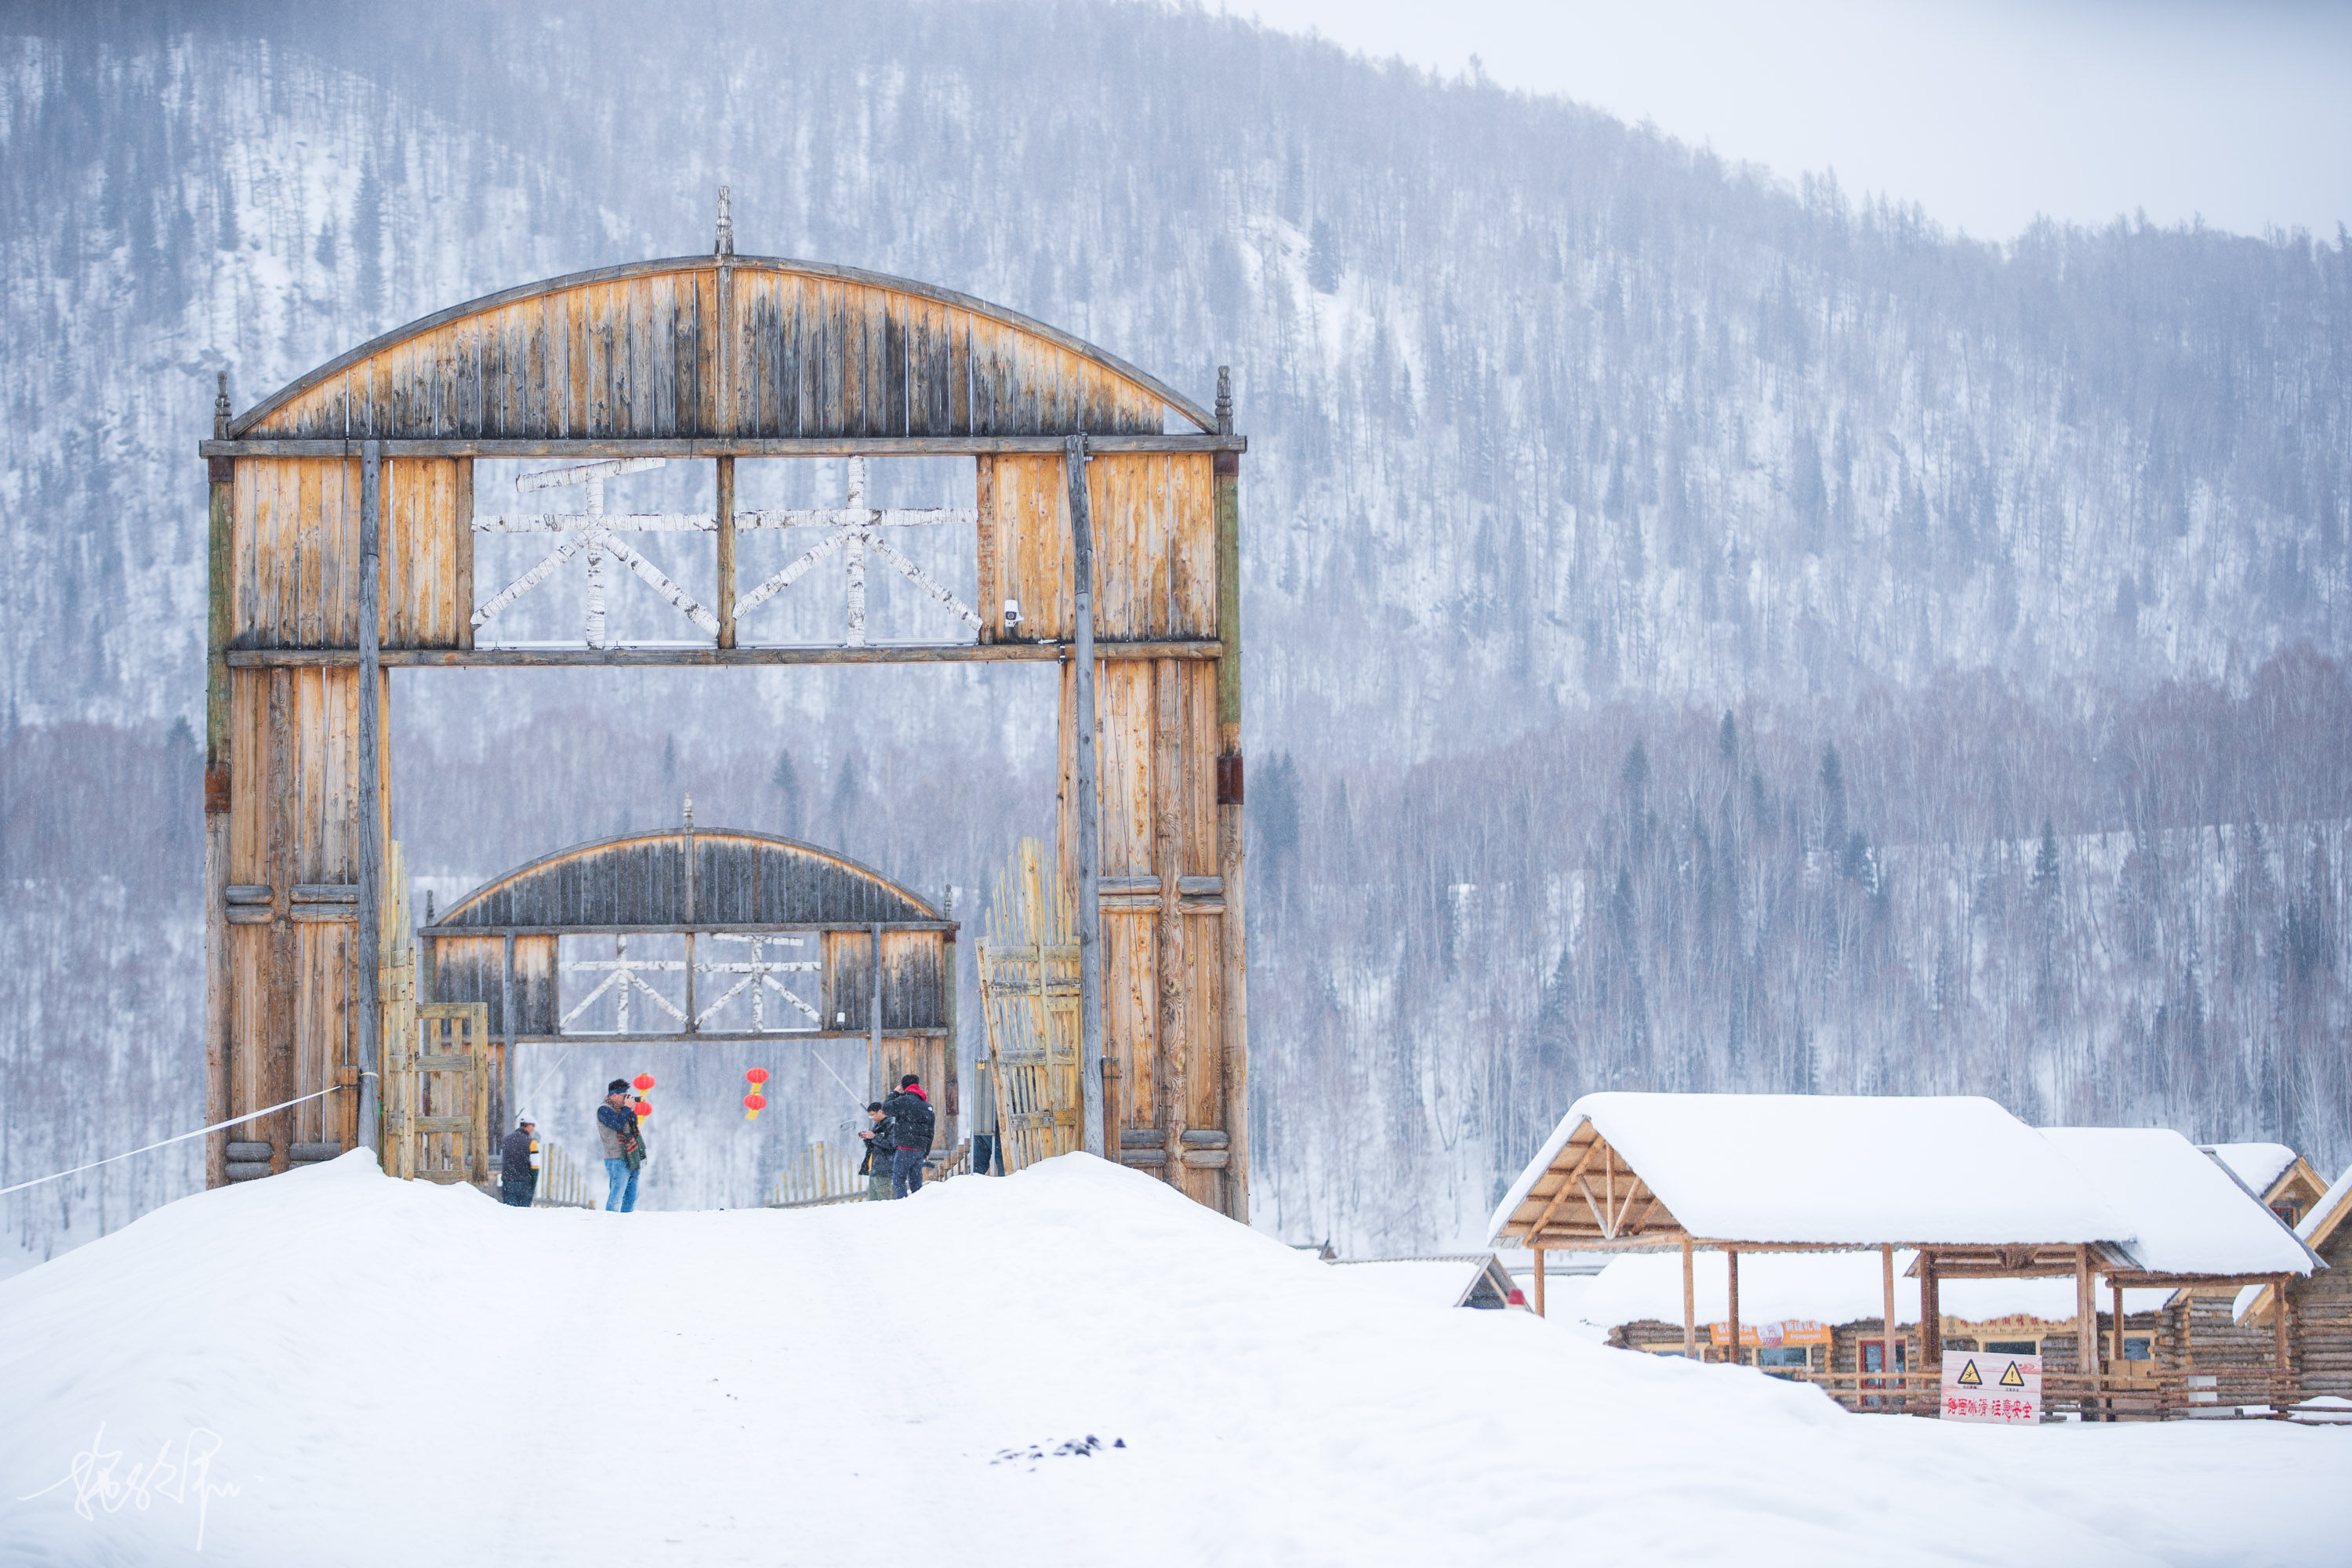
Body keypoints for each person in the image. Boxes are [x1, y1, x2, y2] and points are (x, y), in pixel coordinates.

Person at [881, 1073, 935, 1199]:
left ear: (904, 1087)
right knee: (916, 1181)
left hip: (905, 1148)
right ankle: (917, 1206)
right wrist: (926, 1151)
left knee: (899, 1179)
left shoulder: (903, 1101)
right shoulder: (927, 1105)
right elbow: (930, 1131)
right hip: (920, 1150)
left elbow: (885, 1109)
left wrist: (894, 1093)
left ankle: (902, 1205)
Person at [596, 1080, 647, 1212]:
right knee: (616, 1196)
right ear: (613, 1095)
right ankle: (610, 1224)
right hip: (616, 1157)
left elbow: (633, 1124)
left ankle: (626, 1223)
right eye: (623, 1095)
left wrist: (630, 1110)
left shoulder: (623, 1109)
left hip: (631, 1156)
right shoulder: (603, 1109)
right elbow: (618, 1124)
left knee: (632, 1196)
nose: (626, 1098)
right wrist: (626, 1109)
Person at [856, 1102, 895, 1201]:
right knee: (872, 1202)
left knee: (884, 1200)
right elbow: (873, 1146)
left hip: (884, 1169)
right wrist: (867, 1139)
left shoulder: (891, 1124)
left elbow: (891, 1145)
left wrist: (874, 1136)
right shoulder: (876, 1126)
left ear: (880, 1111)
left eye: (873, 1115)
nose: (872, 1118)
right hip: (874, 1168)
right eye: (870, 1116)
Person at [499, 1114, 540, 1207]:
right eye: (533, 1127)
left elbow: (503, 1159)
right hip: (525, 1183)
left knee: (509, 1211)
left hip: (508, 1182)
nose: (533, 1130)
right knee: (523, 1214)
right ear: (529, 1126)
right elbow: (535, 1166)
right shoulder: (532, 1143)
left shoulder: (506, 1140)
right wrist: (533, 1183)